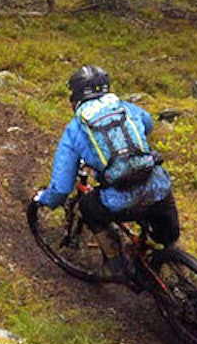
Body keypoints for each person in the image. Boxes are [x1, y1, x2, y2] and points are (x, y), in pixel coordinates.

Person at [33, 64, 180, 281]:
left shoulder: (75, 129)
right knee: (167, 237)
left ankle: (115, 265)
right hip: (158, 187)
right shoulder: (126, 109)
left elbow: (62, 188)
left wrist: (46, 199)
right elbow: (148, 125)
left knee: (88, 207)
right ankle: (182, 271)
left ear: (75, 97)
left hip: (119, 201)